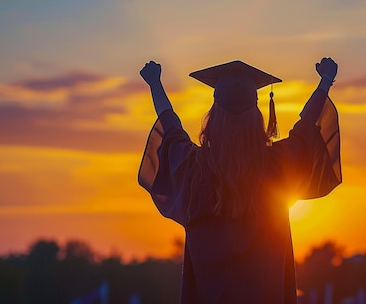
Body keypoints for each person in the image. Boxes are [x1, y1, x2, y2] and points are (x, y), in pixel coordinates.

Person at [138, 58, 342, 304]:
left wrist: (155, 84)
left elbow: (171, 130)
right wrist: (325, 81)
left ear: (213, 117)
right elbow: (306, 130)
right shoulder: (276, 165)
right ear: (256, 116)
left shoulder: (195, 169)